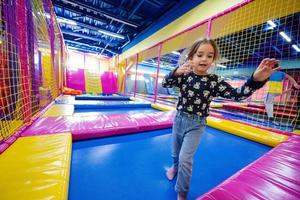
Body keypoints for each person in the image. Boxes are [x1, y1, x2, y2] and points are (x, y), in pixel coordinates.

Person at [161, 37, 279, 200]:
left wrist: (255, 80)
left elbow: (238, 95)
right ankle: (174, 167)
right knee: (175, 154)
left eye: (209, 56)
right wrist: (175, 72)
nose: (204, 59)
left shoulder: (214, 81)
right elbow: (165, 84)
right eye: (200, 55)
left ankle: (182, 193)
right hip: (179, 119)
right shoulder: (183, 75)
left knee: (185, 158)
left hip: (197, 124)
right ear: (191, 57)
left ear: (213, 60)